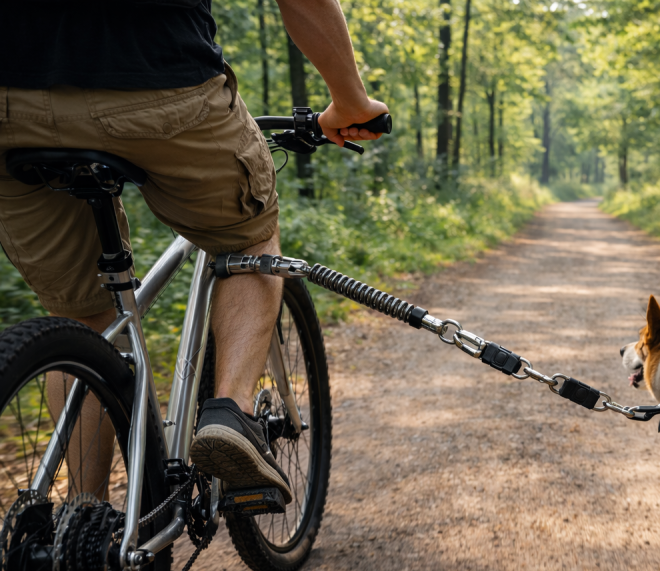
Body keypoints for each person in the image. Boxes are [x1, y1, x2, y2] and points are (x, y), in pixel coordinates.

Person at [0, 0, 386, 501]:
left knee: (82, 314)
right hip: (157, 75)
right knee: (248, 239)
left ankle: (84, 521)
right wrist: (351, 102)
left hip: (10, 105)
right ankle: (231, 415)